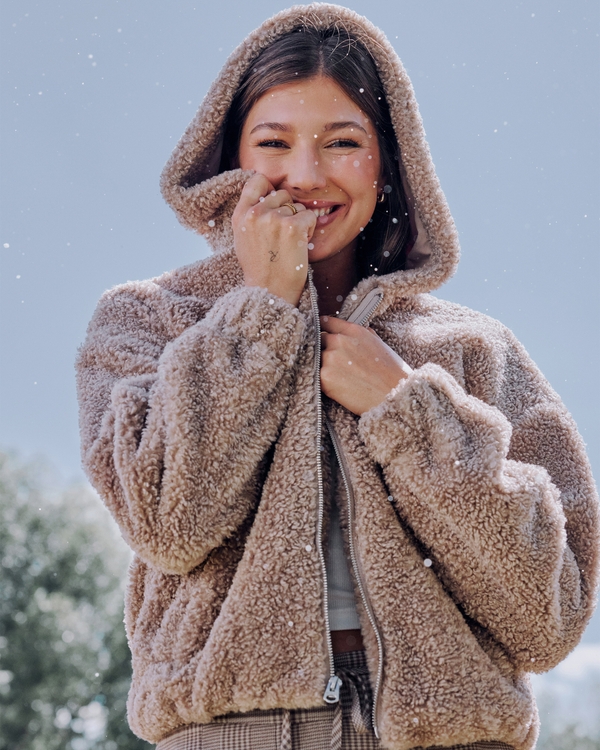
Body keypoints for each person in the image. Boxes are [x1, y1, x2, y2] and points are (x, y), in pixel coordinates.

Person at [76, 5, 599, 750]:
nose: (306, 174)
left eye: (343, 142)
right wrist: (258, 311)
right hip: (231, 734)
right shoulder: (147, 321)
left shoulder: (473, 349)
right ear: (230, 158)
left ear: (389, 160)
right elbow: (168, 521)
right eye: (273, 143)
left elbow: (546, 617)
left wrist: (405, 409)